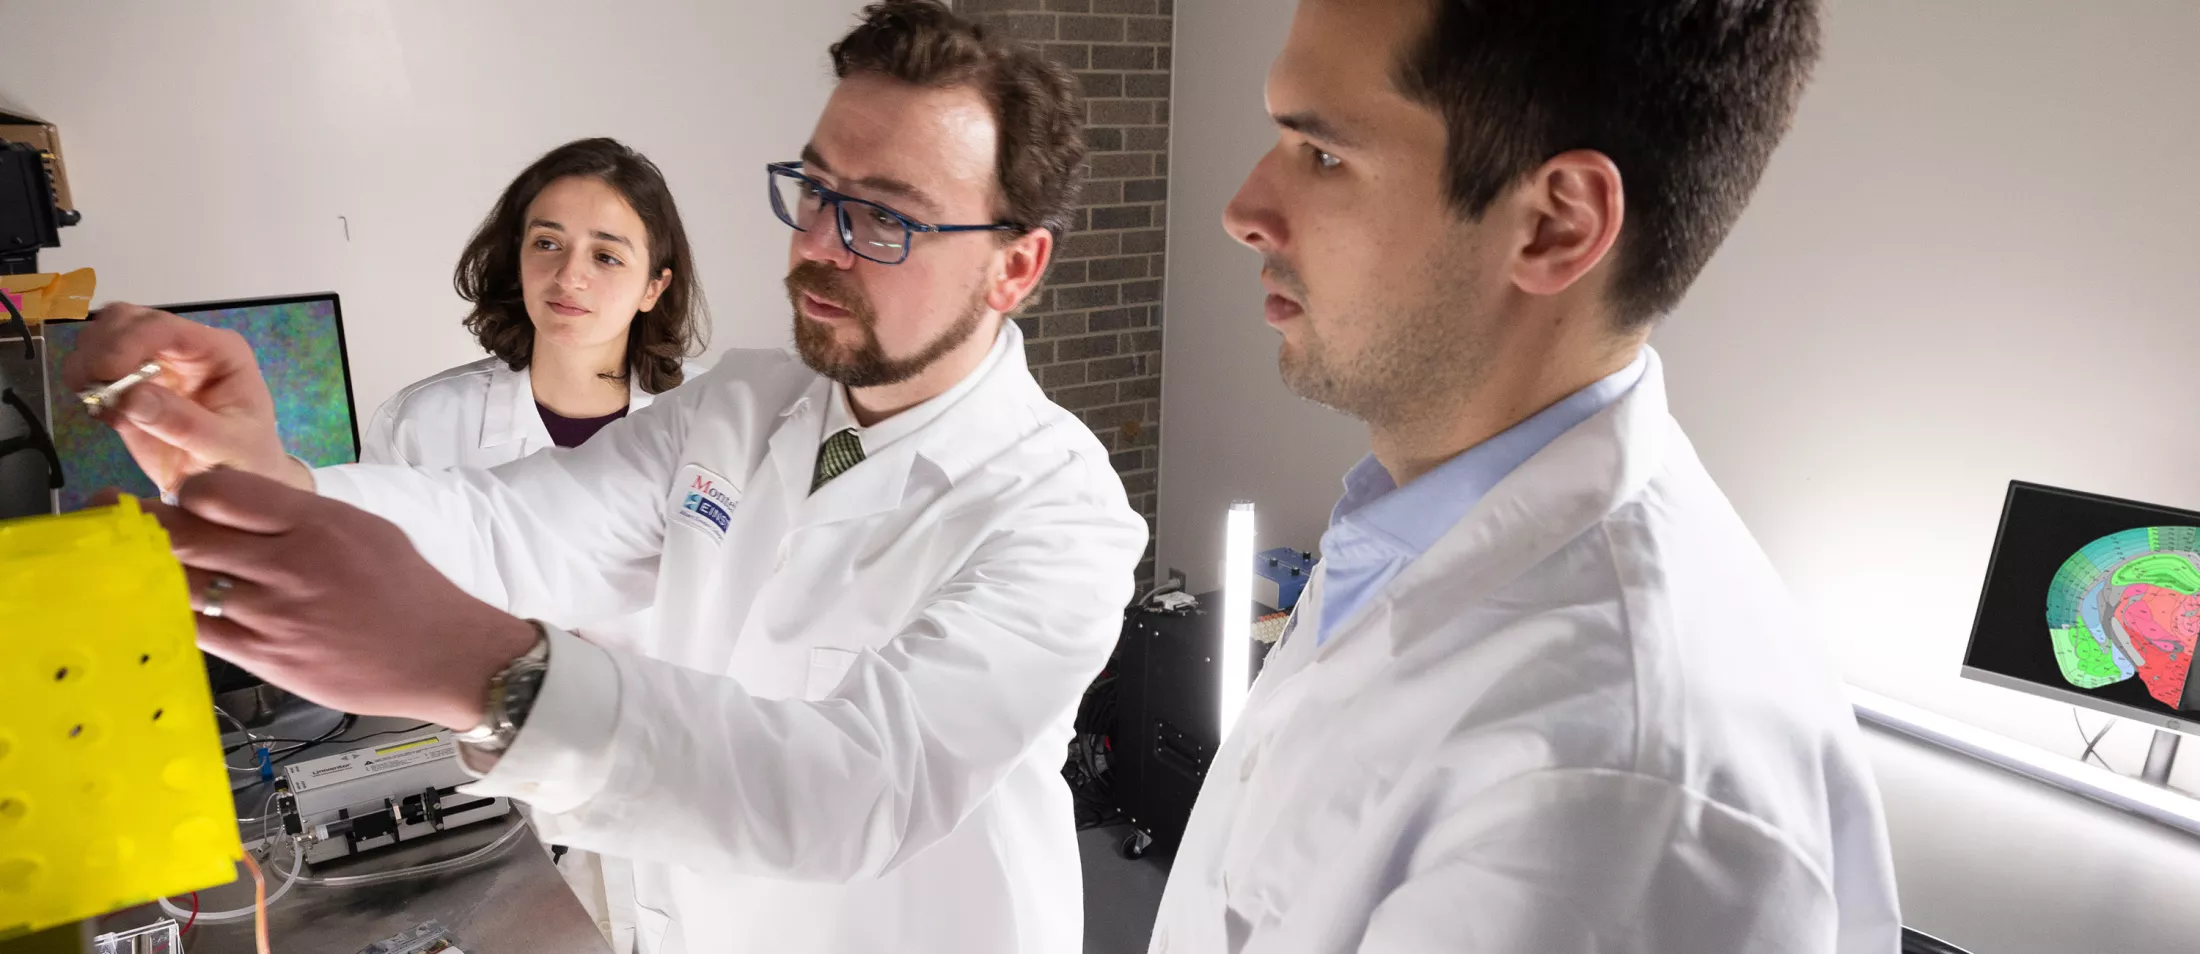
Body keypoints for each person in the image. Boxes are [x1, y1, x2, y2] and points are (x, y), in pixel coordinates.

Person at [64, 4, 1140, 953]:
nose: (819, 245)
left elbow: (858, 788)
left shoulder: (1060, 514)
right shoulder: (743, 405)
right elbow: (513, 522)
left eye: (887, 218)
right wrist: (274, 477)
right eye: (815, 189)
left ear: (1015, 266)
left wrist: (491, 674)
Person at [1148, 0, 1901, 951]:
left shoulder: (1608, 803)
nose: (1243, 211)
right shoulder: (1418, 519)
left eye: (1324, 155)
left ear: (1553, 226)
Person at [360, 136, 707, 953]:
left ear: (656, 284)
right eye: (546, 242)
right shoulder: (426, 423)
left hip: (669, 804)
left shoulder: (715, 432)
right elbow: (386, 619)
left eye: (607, 254)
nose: (569, 276)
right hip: (488, 813)